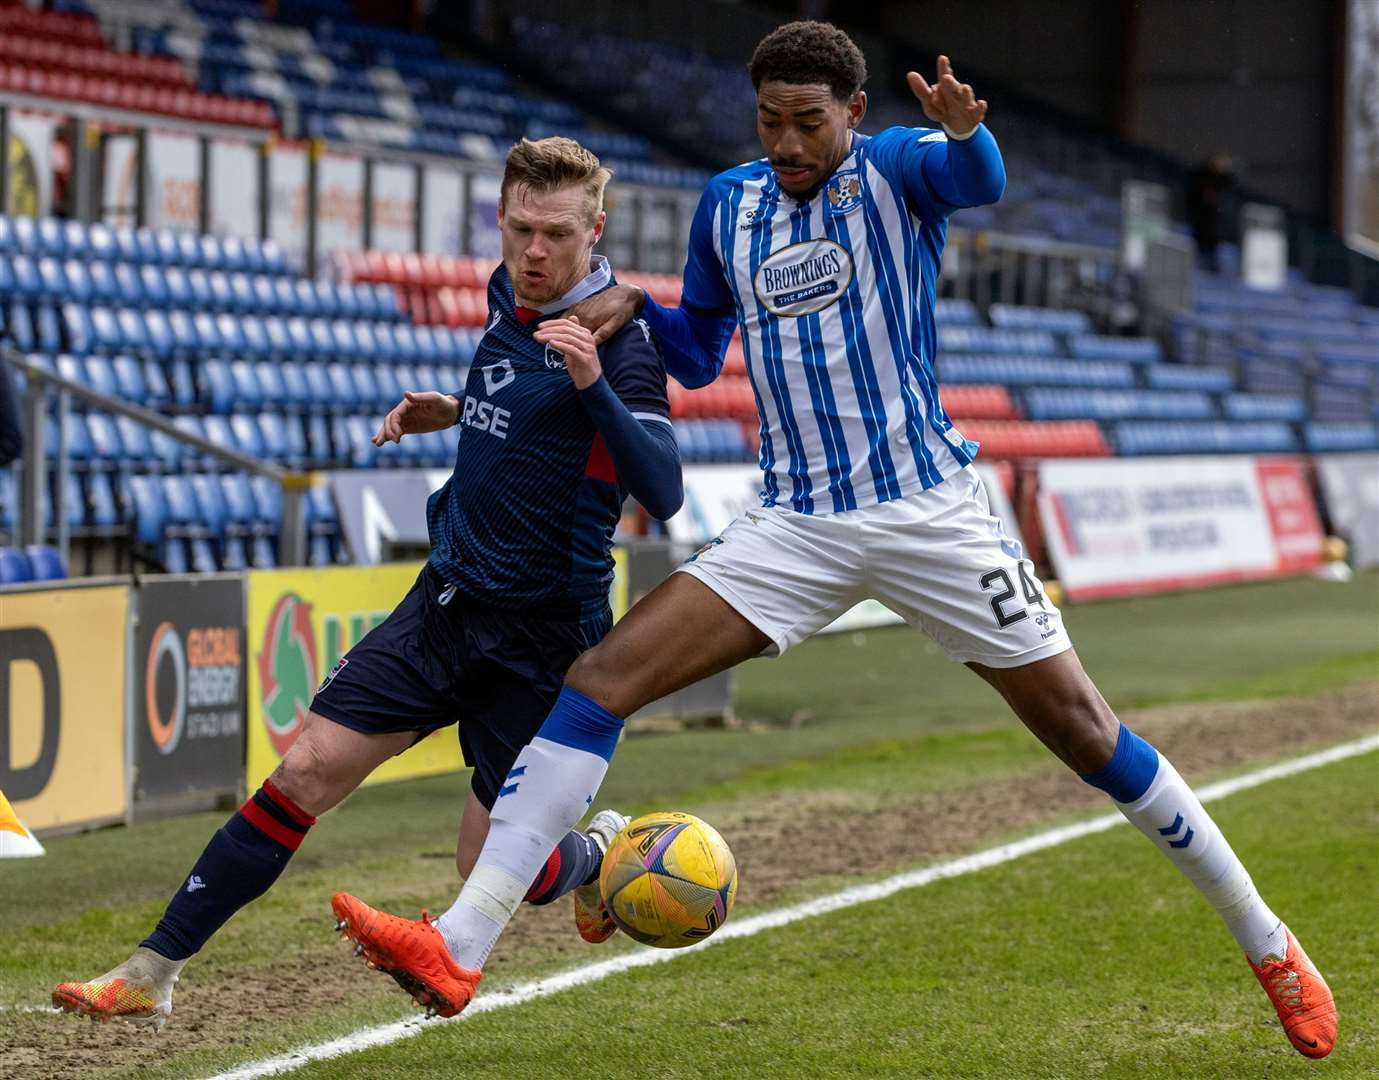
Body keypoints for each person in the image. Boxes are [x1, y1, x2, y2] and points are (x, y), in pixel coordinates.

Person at [332, 22, 1336, 1060]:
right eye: (768, 120)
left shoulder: (899, 166)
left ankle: (1267, 944)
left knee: (1085, 732)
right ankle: (458, 946)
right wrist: (630, 310)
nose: (785, 141)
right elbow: (697, 349)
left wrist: (965, 135)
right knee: (596, 679)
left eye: (807, 122)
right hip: (796, 523)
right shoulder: (729, 202)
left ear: (852, 114)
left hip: (927, 513)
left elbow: (975, 180)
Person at [51, 135, 683, 1026]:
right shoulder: (510, 293)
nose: (533, 252)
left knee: (490, 866)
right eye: (518, 229)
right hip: (447, 603)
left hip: (546, 639)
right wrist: (461, 412)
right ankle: (150, 972)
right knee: (304, 768)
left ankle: (594, 858)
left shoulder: (623, 346)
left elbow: (665, 488)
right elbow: (527, 412)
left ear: (597, 229)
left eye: (555, 235)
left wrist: (594, 384)